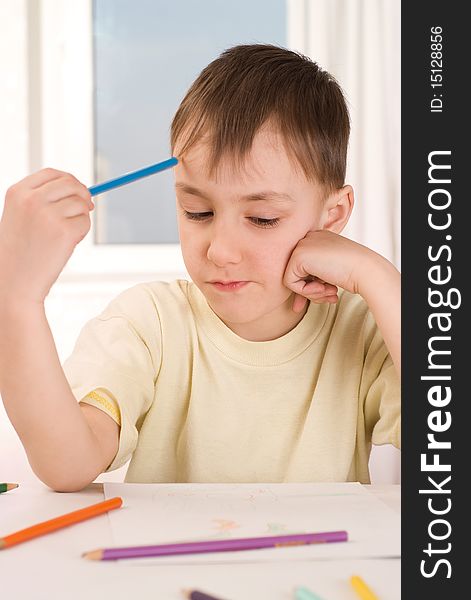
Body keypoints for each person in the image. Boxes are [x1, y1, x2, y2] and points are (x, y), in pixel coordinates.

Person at [0, 44, 400, 492]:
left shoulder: (364, 330)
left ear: (332, 216)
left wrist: (378, 277)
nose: (221, 251)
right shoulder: (148, 323)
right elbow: (66, 464)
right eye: (197, 211)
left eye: (262, 218)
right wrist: (17, 299)